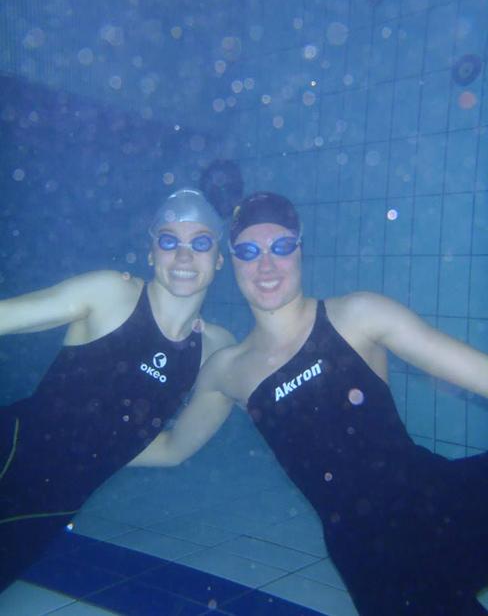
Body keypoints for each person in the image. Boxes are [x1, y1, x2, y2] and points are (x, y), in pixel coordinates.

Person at [132, 191, 488, 615]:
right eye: (249, 251)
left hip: (445, 502)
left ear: (300, 250)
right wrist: (81, 449)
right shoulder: (228, 371)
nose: (266, 266)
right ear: (232, 262)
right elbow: (171, 449)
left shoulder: (358, 316)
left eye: (281, 247)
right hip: (374, 559)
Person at [0, 188, 235, 593]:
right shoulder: (110, 294)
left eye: (200, 243)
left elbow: (173, 450)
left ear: (218, 259)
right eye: (169, 241)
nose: (183, 256)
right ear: (151, 253)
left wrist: (99, 449)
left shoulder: (215, 349)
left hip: (45, 514)